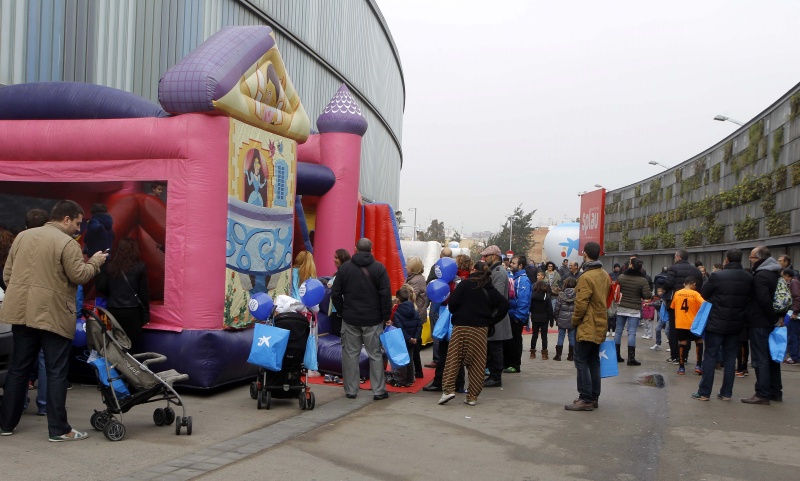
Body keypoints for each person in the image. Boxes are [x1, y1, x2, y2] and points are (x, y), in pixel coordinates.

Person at [0, 200, 108, 441]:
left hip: (21, 313)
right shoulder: (67, 243)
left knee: (18, 369)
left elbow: (8, 274)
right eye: (78, 223)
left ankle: (5, 424)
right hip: (53, 315)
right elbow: (79, 275)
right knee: (56, 371)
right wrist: (95, 263)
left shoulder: (22, 238)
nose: (79, 229)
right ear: (66, 219)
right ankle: (59, 429)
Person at [438, 260, 509, 406]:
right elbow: (504, 304)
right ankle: (472, 396)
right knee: (477, 362)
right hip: (480, 329)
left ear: (473, 271)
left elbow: (453, 304)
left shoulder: (464, 284)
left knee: (454, 359)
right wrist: (492, 319)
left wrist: (458, 313)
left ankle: (448, 390)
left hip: (461, 327)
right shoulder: (490, 289)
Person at [330, 238, 392, 401]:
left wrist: (343, 311)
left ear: (355, 248)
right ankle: (378, 390)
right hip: (373, 318)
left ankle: (351, 390)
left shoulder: (345, 269)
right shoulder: (379, 268)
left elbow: (335, 293)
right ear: (371, 250)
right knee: (375, 354)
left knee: (350, 354)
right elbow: (385, 295)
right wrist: (386, 316)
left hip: (350, 318)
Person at [692, 250, 753, 401]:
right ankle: (726, 393)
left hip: (716, 321)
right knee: (731, 358)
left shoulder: (717, 276)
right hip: (736, 322)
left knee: (710, 357)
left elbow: (704, 294)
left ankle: (704, 392)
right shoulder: (748, 277)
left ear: (726, 260)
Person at [564, 242, 610, 411]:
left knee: (581, 360)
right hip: (600, 321)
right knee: (593, 360)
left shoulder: (586, 277)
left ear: (584, 254)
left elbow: (581, 304)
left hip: (587, 323)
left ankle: (585, 398)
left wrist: (575, 321)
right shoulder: (604, 274)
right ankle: (593, 396)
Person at [742, 246, 783, 405]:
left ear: (759, 259)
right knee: (773, 357)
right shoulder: (775, 273)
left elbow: (763, 299)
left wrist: (770, 316)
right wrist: (775, 318)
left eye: (751, 258)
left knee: (760, 357)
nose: (750, 261)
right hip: (772, 321)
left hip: (760, 321)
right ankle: (775, 391)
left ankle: (762, 393)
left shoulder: (761, 276)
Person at [423, 256, 469, 393]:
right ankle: (459, 383)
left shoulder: (452, 282)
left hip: (448, 318)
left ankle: (439, 381)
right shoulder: (465, 280)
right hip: (459, 320)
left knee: (444, 352)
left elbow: (444, 298)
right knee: (457, 353)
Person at [95, 238, 149, 343]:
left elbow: (101, 287)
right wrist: (146, 314)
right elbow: (144, 293)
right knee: (133, 345)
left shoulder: (110, 267)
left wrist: (112, 294)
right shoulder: (140, 266)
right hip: (133, 311)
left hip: (113, 310)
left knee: (115, 344)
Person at [660, 250, 703, 364]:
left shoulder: (673, 268)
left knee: (674, 329)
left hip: (676, 302)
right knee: (688, 329)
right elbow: (700, 285)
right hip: (692, 304)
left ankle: (675, 356)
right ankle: (684, 356)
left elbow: (668, 283)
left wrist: (662, 289)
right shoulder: (695, 270)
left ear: (678, 257)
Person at [480, 245, 511, 388]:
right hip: (494, 315)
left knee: (495, 348)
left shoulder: (498, 272)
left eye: (487, 256)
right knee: (492, 348)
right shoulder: (494, 271)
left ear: (494, 256)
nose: (484, 258)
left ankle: (496, 376)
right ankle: (493, 374)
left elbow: (496, 296)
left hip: (497, 315)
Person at [614, 257, 652, 366]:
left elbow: (616, 290)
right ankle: (631, 358)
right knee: (631, 333)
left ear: (631, 265)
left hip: (621, 307)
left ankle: (616, 355)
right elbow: (647, 295)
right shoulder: (642, 280)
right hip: (634, 308)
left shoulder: (621, 277)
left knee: (618, 331)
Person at [670, 277, 704, 376]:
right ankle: (698, 365)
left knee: (682, 342)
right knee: (699, 341)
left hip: (680, 322)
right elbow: (703, 304)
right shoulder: (695, 294)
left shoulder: (677, 293)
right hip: (693, 323)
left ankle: (681, 367)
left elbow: (672, 306)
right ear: (693, 284)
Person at [425, 247, 453, 369]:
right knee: (447, 330)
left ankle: (437, 359)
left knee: (437, 330)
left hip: (437, 302)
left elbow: (430, 283)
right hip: (449, 303)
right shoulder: (453, 268)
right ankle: (447, 358)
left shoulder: (436, 267)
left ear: (441, 255)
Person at [389, 286, 422, 387]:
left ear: (398, 299)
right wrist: (415, 337)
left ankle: (401, 380)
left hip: (403, 339)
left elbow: (400, 327)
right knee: (410, 359)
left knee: (402, 359)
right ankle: (410, 379)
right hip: (413, 338)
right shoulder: (415, 310)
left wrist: (408, 338)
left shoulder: (398, 312)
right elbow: (419, 325)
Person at [503, 255, 531, 373]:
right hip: (511, 314)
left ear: (520, 265)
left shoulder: (523, 280)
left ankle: (515, 364)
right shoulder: (514, 278)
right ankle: (508, 363)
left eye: (513, 263)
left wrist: (518, 317)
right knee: (509, 341)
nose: (510, 265)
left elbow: (523, 300)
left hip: (516, 316)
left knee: (515, 341)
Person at [404, 256, 428, 378]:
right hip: (419, 314)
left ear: (412, 268)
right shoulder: (419, 278)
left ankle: (416, 371)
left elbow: (409, 297)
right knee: (415, 343)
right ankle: (417, 370)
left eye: (407, 266)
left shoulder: (414, 281)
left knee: (413, 345)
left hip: (414, 316)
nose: (405, 267)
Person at [326, 249, 351, 337]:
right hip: (337, 310)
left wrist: (340, 311)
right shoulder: (339, 273)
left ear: (342, 258)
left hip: (339, 310)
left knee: (339, 336)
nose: (334, 260)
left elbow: (336, 291)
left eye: (336, 258)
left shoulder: (343, 273)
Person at [553, 277, 578, 361]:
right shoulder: (577, 295)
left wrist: (556, 317)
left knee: (561, 336)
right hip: (572, 319)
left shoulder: (561, 295)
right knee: (572, 337)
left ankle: (558, 355)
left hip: (562, 318)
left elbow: (557, 308)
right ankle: (571, 355)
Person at [529, 280, 553, 360]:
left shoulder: (533, 296)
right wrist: (551, 320)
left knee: (534, 335)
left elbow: (530, 307)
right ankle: (544, 354)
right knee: (544, 336)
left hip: (535, 318)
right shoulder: (547, 297)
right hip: (544, 318)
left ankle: (532, 353)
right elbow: (550, 309)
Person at [783, 268, 800, 364]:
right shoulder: (796, 282)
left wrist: (795, 312)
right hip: (795, 313)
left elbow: (797, 297)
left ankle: (794, 357)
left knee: (793, 336)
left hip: (795, 314)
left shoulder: (794, 283)